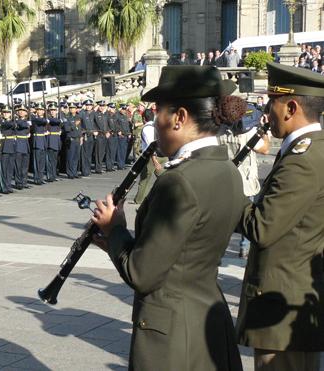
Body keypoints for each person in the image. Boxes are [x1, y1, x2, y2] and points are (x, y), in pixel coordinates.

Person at [91, 65, 245, 371]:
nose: (154, 121)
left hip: (172, 333)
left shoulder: (178, 181)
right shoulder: (227, 170)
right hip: (206, 320)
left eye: (158, 112)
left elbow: (142, 273)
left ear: (180, 118)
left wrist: (115, 229)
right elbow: (182, 252)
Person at [236, 62, 324, 371]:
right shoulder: (310, 150)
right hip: (290, 302)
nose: (266, 112)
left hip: (283, 307)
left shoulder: (303, 158)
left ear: (290, 106)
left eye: (270, 102)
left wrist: (227, 192)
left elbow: (263, 227)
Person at [218, 102, 270, 258]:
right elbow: (265, 149)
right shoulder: (250, 132)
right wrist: (265, 131)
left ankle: (219, 251)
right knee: (248, 216)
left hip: (225, 180)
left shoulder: (218, 131)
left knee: (223, 218)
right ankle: (244, 248)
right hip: (246, 181)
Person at [63, 102, 82, 179]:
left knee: (76, 157)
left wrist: (81, 137)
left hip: (77, 139)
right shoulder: (67, 118)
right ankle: (70, 173)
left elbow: (80, 129)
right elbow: (66, 129)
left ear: (76, 109)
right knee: (70, 157)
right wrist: (74, 125)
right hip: (71, 139)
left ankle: (74, 172)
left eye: (73, 108)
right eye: (70, 108)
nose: (72, 109)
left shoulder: (78, 117)